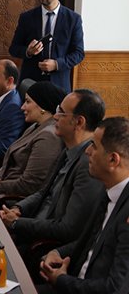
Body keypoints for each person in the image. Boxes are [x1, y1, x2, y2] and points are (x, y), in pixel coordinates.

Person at [0, 89, 106, 248]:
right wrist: (18, 208)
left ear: (79, 122)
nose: (55, 116)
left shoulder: (88, 164)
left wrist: (17, 223)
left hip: (41, 245)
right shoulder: (68, 149)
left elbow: (68, 229)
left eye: (61, 112)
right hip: (30, 227)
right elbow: (44, 192)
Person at [39, 117, 129, 293]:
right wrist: (57, 252)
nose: (87, 151)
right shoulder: (108, 192)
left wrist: (61, 280)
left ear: (113, 160)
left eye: (94, 146)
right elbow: (91, 243)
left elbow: (114, 289)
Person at [0, 81, 66, 198]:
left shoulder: (48, 137)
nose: (22, 107)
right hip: (4, 189)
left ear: (42, 106)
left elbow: (30, 185)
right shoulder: (35, 126)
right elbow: (11, 162)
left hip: (11, 200)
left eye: (27, 101)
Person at [9, 0, 85, 93]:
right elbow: (13, 48)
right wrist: (28, 51)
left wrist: (57, 64)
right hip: (30, 84)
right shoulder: (26, 18)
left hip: (59, 84)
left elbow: (78, 53)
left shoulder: (73, 19)